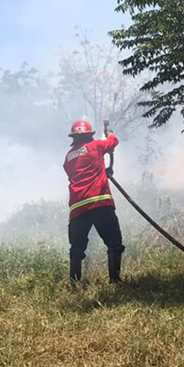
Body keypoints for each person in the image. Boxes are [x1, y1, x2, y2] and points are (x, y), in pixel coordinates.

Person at [63, 119, 124, 283]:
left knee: (77, 248)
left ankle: (74, 284)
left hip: (78, 208)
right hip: (100, 203)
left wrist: (103, 170)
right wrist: (109, 133)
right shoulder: (96, 146)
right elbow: (113, 142)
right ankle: (115, 281)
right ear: (89, 135)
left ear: (74, 138)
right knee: (114, 242)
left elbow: (82, 171)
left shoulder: (68, 158)